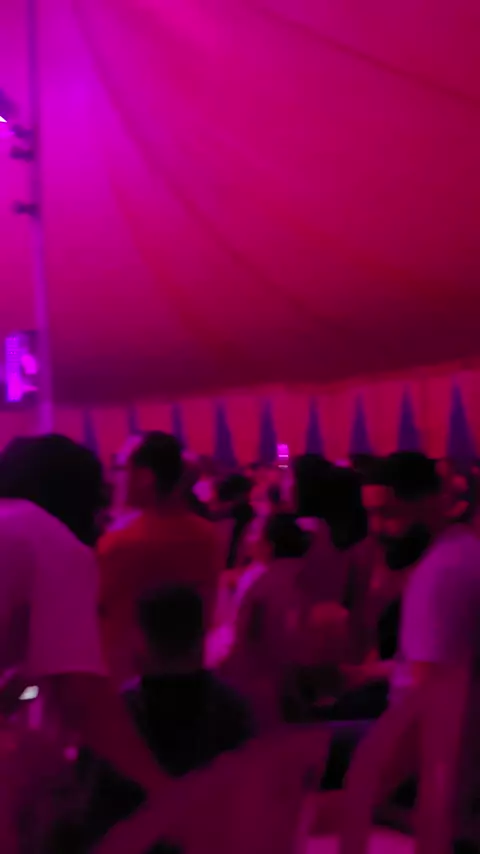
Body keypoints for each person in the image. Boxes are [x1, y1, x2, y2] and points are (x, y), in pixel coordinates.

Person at [0, 436, 168, 807]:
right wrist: (167, 796)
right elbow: (83, 698)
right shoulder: (49, 540)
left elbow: (33, 687)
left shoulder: (12, 527)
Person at [85, 586, 252, 849]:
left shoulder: (117, 717)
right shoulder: (236, 711)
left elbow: (93, 819)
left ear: (140, 639)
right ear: (203, 634)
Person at [98, 432, 222, 683]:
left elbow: (99, 610)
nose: (115, 479)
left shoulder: (122, 543)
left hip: (128, 680)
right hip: (189, 674)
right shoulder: (207, 535)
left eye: (121, 469)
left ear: (145, 477)